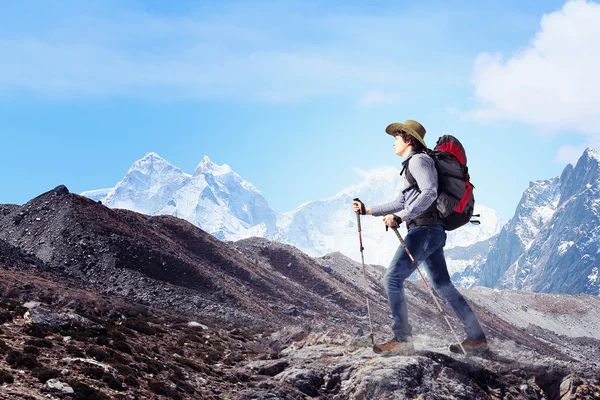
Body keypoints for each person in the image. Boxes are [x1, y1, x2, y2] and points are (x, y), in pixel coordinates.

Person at [352, 119, 487, 355]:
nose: (393, 142)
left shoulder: (419, 161)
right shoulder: (411, 165)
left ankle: (402, 338)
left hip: (424, 230)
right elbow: (401, 202)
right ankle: (476, 337)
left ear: (408, 139)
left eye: (396, 137)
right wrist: (368, 210)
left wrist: (402, 218)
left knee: (392, 279)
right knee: (442, 285)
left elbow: (430, 192)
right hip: (430, 230)